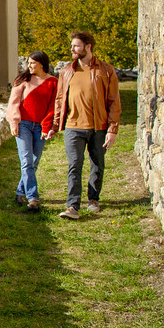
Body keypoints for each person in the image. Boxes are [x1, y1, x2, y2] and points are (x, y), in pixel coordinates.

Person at [48, 31, 121, 219]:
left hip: (98, 127)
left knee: (97, 164)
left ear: (88, 47)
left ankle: (93, 199)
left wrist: (112, 130)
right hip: (73, 126)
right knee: (74, 165)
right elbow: (59, 100)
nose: (72, 49)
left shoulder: (106, 70)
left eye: (76, 46)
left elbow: (113, 101)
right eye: (72, 46)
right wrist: (55, 125)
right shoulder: (66, 71)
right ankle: (73, 206)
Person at [6, 51, 58, 211]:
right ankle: (33, 198)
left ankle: (20, 191)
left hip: (40, 126)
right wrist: (14, 122)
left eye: (32, 63)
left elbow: (54, 106)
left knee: (34, 162)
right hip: (24, 125)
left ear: (42, 64)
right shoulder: (22, 80)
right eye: (28, 63)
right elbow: (13, 103)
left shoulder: (53, 83)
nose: (29, 66)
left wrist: (47, 126)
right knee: (27, 160)